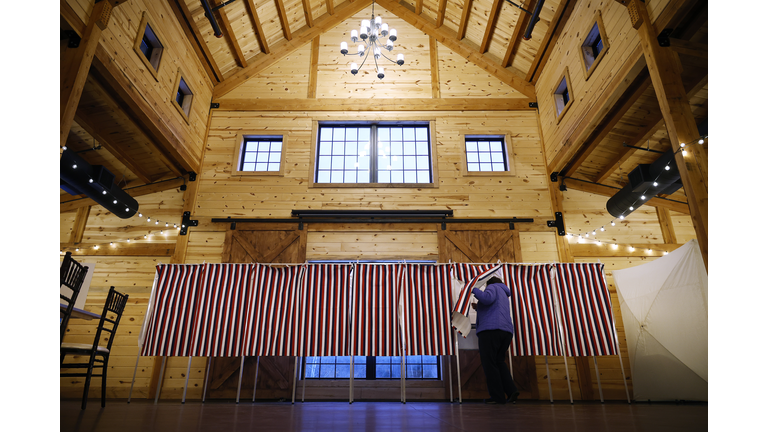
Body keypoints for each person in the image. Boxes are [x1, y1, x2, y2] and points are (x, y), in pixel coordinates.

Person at [471, 276, 519, 404]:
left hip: (491, 330)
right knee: (499, 362)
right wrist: (478, 307)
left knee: (489, 363)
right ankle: (511, 390)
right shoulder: (503, 292)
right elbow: (492, 306)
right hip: (506, 332)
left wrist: (473, 289)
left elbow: (487, 299)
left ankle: (497, 397)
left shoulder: (492, 287)